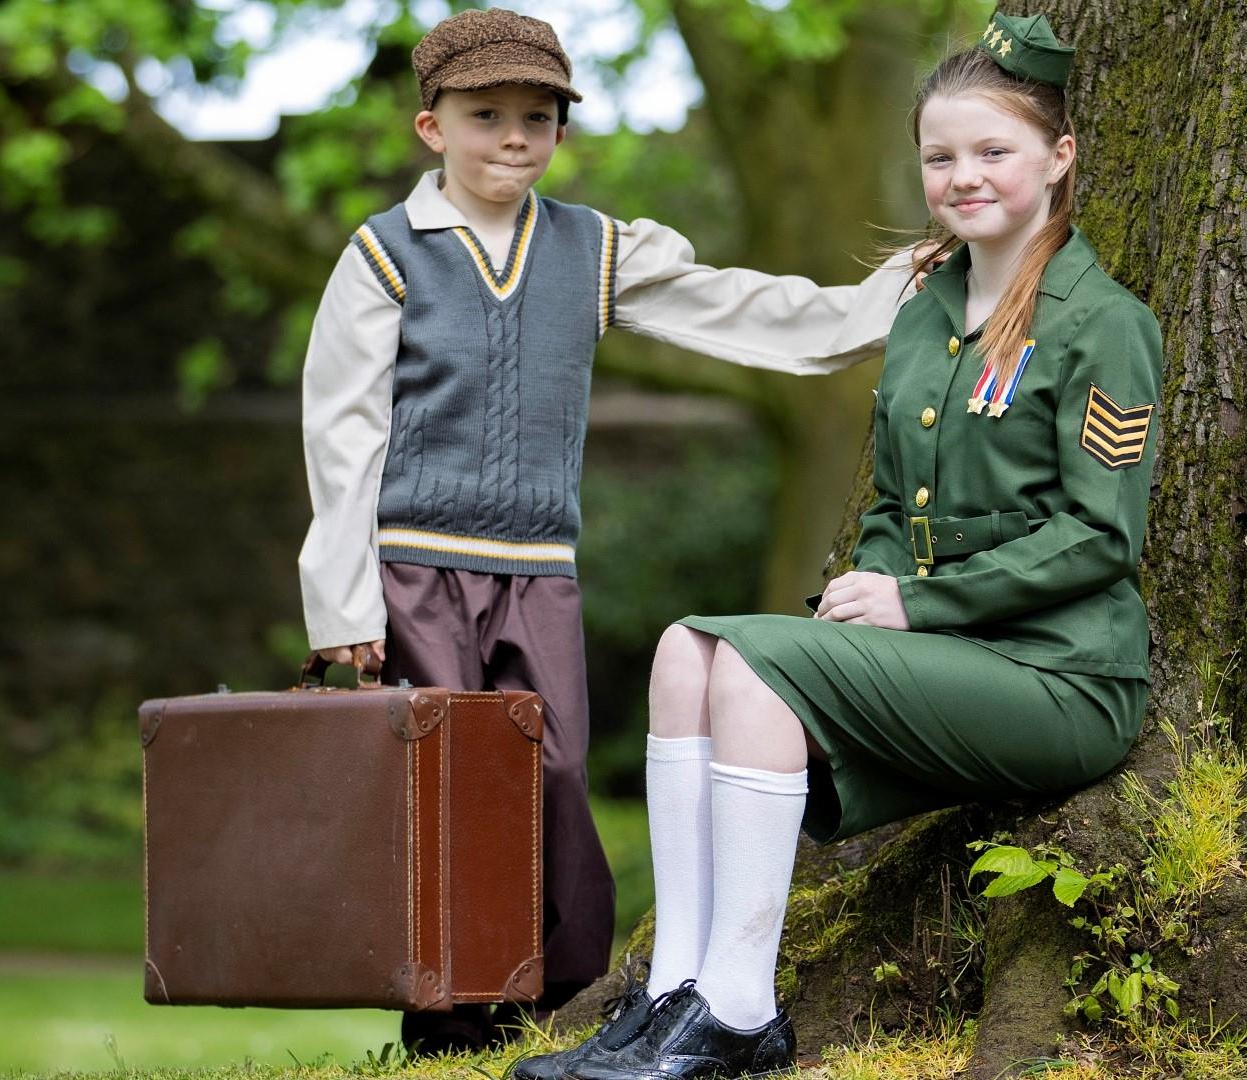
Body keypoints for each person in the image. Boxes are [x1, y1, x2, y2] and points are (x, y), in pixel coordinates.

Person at [514, 11, 1163, 1079]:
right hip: (943, 660)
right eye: (940, 156)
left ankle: (739, 1010)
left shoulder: (1104, 323)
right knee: (687, 651)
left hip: (1062, 673)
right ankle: (675, 990)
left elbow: (1099, 539)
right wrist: (868, 595)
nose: (963, 176)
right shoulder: (926, 304)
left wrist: (916, 609)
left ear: (1059, 158)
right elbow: (894, 509)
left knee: (762, 674)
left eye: (993, 151)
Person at [296, 6, 914, 1055]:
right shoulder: (385, 255)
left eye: (537, 118)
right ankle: (445, 1012)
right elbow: (342, 430)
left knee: (556, 777)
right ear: (430, 127)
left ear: (560, 133)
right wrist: (342, 603)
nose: (513, 138)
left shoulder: (591, 250)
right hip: (412, 570)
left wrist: (883, 302)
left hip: (539, 570)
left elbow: (741, 309)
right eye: (485, 114)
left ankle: (558, 997)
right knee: (441, 789)